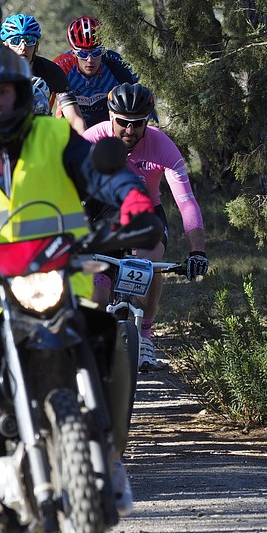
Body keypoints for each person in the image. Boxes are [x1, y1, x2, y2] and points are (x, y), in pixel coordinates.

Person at [0, 43, 159, 521]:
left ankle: (115, 462)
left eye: (3, 92)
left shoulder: (55, 136)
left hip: (60, 274)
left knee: (114, 341)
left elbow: (103, 175)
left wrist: (133, 200)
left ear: (21, 93)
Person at [81, 84, 207, 367]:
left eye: (137, 124)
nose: (129, 130)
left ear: (147, 121)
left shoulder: (161, 145)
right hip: (99, 215)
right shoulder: (91, 140)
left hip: (146, 213)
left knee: (147, 263)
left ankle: (145, 335)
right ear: (110, 117)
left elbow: (186, 201)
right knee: (97, 298)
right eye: (122, 122)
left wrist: (197, 251)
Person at [53, 15, 140, 131]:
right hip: (70, 121)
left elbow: (140, 97)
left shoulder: (116, 64)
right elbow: (44, 104)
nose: (90, 60)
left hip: (106, 122)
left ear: (103, 50)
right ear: (73, 52)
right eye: (83, 54)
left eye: (96, 53)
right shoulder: (62, 66)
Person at [0, 14, 73, 120]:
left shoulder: (51, 71)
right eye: (15, 41)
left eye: (29, 40)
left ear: (36, 46)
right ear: (5, 47)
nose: (23, 47)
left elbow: (74, 118)